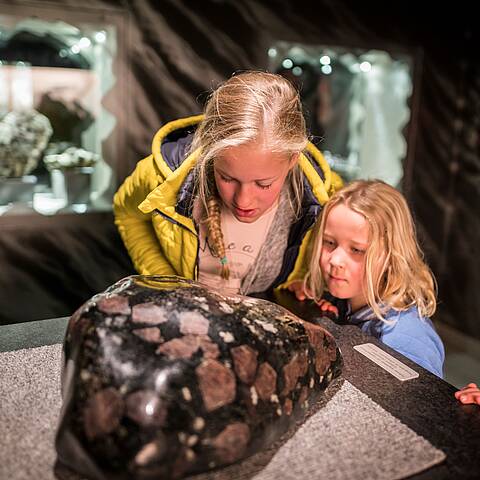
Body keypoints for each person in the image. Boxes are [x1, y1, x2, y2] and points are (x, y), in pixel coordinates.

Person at [113, 71, 340, 296]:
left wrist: (307, 278)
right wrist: (163, 278)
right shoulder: (160, 176)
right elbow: (128, 214)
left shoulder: (329, 196)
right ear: (210, 154)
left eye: (263, 184)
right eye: (227, 178)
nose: (243, 200)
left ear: (293, 159)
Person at [292, 179, 445, 378]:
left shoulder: (405, 338)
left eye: (356, 250)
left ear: (392, 257)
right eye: (329, 242)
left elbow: (426, 402)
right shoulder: (340, 301)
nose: (336, 260)